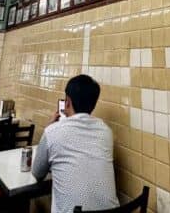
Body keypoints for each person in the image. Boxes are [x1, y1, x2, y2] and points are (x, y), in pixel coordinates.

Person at [32, 75, 119, 213]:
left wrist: (48, 128)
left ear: (67, 102)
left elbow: (37, 173)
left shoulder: (52, 132)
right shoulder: (106, 132)